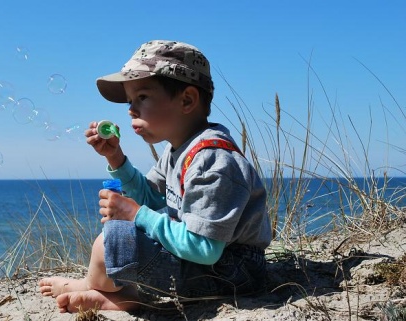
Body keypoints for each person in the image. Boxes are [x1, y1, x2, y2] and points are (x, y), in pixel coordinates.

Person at [38, 40, 272, 313]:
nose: (130, 110)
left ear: (187, 100)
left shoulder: (212, 161)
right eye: (129, 101)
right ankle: (110, 290)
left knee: (113, 240)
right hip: (210, 263)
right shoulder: (178, 150)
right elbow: (148, 196)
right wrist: (116, 159)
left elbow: (205, 248)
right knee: (116, 235)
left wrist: (136, 214)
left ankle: (104, 290)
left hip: (235, 272)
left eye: (143, 97)